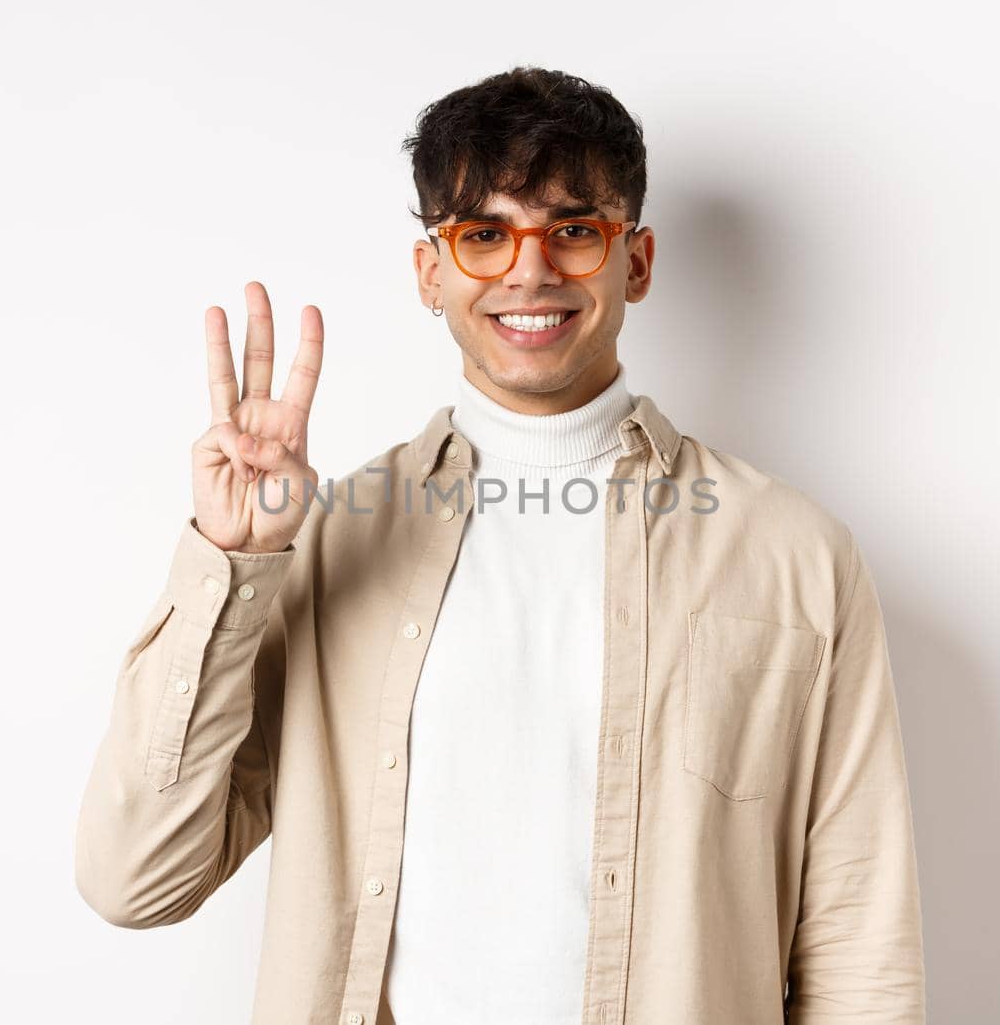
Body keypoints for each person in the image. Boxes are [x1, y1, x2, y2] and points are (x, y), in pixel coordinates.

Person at [74, 65, 926, 1025]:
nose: (529, 270)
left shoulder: (794, 556)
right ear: (431, 271)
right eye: (484, 233)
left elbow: (861, 944)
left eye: (573, 229)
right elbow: (135, 878)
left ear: (635, 261)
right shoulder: (327, 543)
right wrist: (232, 564)